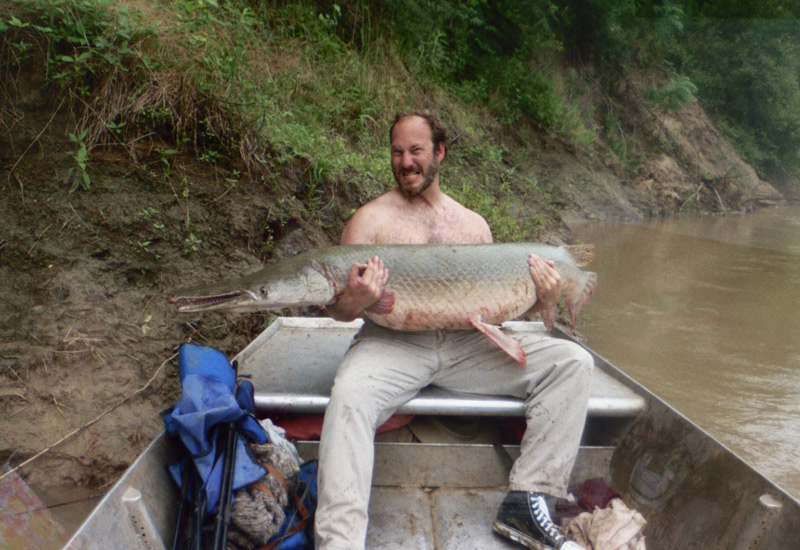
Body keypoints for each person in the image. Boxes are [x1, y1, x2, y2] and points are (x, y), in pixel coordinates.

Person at [315, 110, 592, 550]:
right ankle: (339, 541)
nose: (406, 162)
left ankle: (526, 502)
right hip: (393, 344)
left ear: (440, 152)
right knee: (348, 396)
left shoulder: (474, 225)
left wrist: (546, 299)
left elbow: (495, 309)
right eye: (397, 152)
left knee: (573, 363)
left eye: (416, 151)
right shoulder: (368, 222)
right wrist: (358, 300)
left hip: (468, 345)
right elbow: (341, 312)